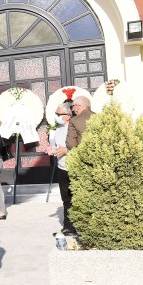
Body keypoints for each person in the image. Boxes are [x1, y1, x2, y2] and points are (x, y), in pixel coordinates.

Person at [63, 95, 93, 235]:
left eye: (73, 106)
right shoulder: (99, 116)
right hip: (101, 163)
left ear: (80, 106)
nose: (73, 109)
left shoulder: (74, 121)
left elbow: (70, 144)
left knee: (83, 196)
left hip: (83, 162)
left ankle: (83, 228)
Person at [47, 101, 74, 233]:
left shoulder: (74, 128)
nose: (56, 117)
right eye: (55, 114)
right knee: (66, 199)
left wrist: (66, 150)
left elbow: (80, 145)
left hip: (73, 167)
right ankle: (68, 227)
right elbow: (58, 146)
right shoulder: (58, 129)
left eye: (59, 114)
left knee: (75, 198)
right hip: (61, 167)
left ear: (68, 116)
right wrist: (52, 150)